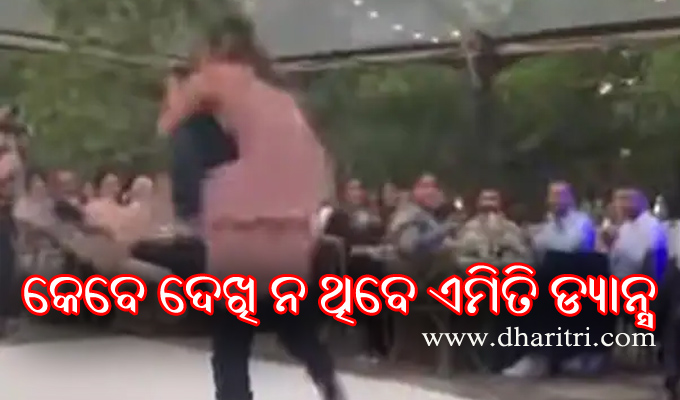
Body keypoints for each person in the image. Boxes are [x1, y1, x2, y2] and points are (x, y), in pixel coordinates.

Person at [154, 17, 343, 400]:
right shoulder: (280, 103)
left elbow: (178, 137)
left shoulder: (216, 98)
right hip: (281, 235)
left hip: (241, 234)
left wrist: (174, 90)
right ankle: (328, 382)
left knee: (232, 342)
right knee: (289, 326)